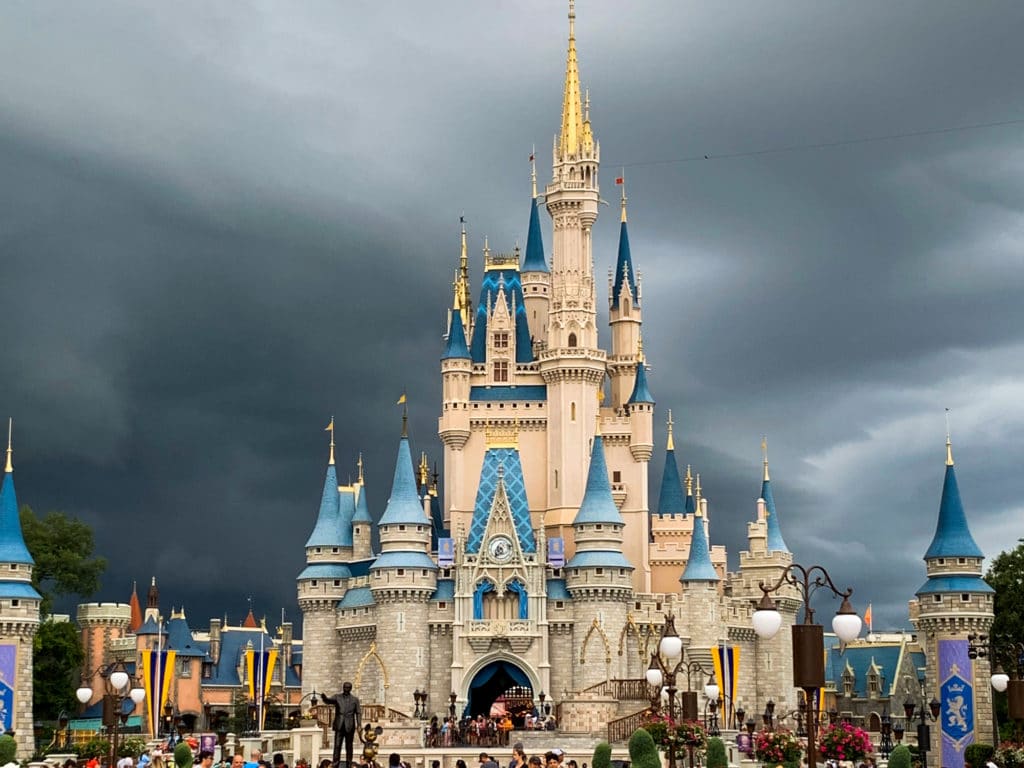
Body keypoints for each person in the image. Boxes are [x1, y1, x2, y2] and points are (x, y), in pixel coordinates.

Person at [323, 682, 362, 768]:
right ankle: (335, 762)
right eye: (344, 687)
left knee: (349, 745)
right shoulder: (337, 697)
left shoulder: (355, 700)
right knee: (337, 745)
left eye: (347, 688)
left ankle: (349, 763)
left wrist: (359, 724)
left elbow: (358, 712)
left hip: (349, 725)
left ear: (350, 689)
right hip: (339, 724)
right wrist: (324, 697)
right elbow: (328, 701)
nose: (345, 689)